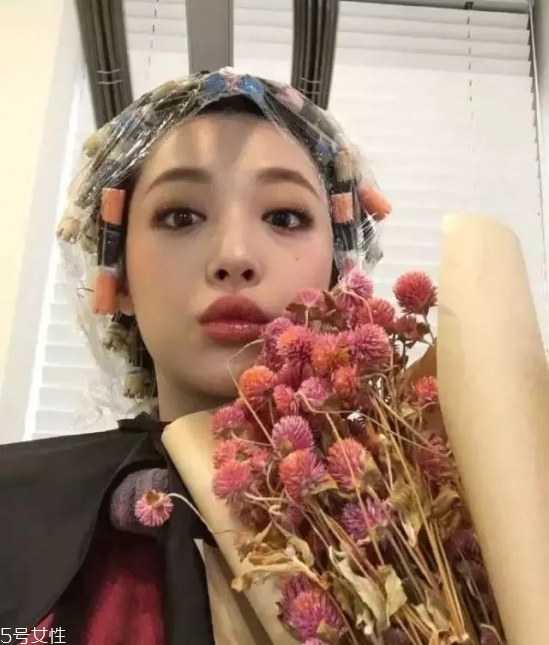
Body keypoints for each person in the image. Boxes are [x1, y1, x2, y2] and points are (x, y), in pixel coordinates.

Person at [0, 68, 390, 644]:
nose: (234, 257)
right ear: (117, 274)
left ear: (339, 274)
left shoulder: (425, 525)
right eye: (180, 216)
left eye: (284, 217)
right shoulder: (11, 511)